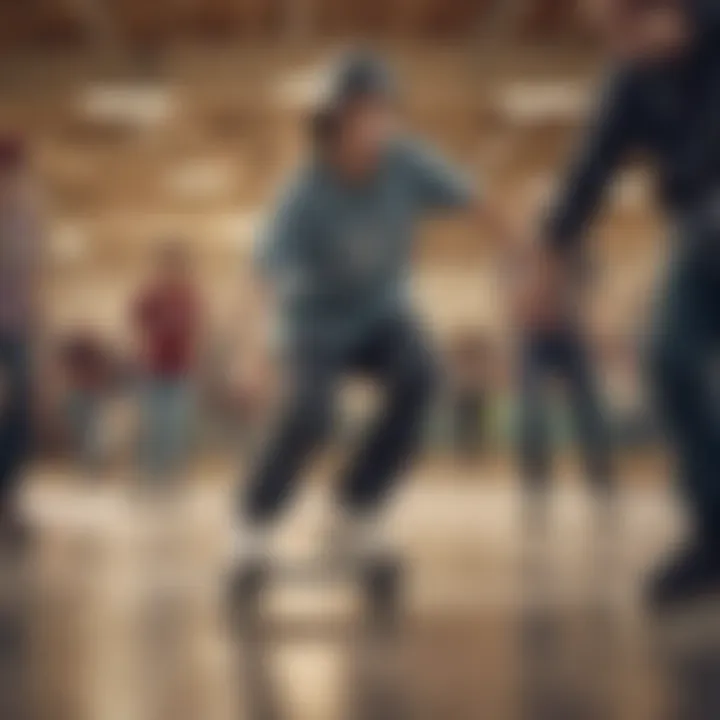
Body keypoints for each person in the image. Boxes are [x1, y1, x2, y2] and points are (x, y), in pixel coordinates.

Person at [236, 50, 515, 563]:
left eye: (385, 111)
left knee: (423, 376)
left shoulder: (408, 162)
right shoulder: (303, 193)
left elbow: (480, 203)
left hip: (381, 315)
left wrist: (524, 257)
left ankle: (356, 508)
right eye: (364, 111)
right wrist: (255, 354)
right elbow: (261, 275)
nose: (379, 123)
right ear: (334, 120)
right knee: (312, 415)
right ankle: (255, 518)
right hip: (313, 324)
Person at [536, 0, 720, 608]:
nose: (612, 46)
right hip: (700, 233)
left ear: (663, 12)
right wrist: (550, 257)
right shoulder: (632, 79)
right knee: (668, 357)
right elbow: (589, 170)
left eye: (619, 28)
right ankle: (714, 528)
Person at [0, 136, 43, 544]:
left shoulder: (28, 213)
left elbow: (33, 277)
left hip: (16, 330)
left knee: (16, 417)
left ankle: (9, 499)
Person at [132, 240, 202, 485]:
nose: (170, 270)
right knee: (154, 426)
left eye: (175, 265)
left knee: (174, 427)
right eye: (166, 265)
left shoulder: (189, 295)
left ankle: (171, 477)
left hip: (180, 371)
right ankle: (152, 475)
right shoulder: (149, 294)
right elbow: (136, 325)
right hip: (153, 370)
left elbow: (196, 329)